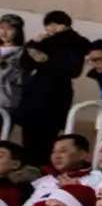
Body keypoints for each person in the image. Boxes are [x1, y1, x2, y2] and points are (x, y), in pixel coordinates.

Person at [16, 11, 89, 167]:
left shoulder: (73, 44)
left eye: (51, 25)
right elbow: (25, 64)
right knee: (38, 139)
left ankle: (35, 169)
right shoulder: (47, 42)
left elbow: (72, 70)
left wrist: (46, 60)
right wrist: (33, 45)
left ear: (61, 25)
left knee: (40, 140)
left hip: (51, 96)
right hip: (43, 96)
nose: (48, 29)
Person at [0, 14, 26, 120]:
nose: (4, 32)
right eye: (1, 28)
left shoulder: (23, 53)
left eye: (9, 29)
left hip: (6, 103)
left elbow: (20, 78)